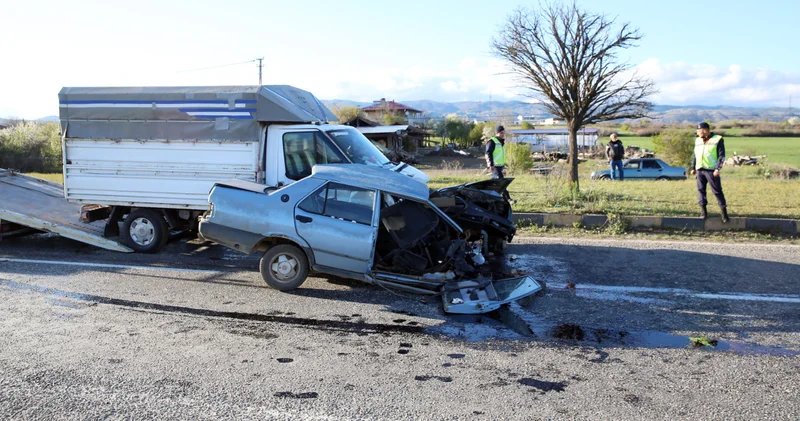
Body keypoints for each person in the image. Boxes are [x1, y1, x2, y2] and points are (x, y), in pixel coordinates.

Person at [690, 122, 729, 222]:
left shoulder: (717, 139)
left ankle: (724, 213)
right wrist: (693, 167)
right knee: (701, 190)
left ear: (705, 130)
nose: (697, 133)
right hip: (700, 169)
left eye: (699, 131)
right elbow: (695, 154)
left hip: (712, 170)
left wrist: (717, 169)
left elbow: (721, 155)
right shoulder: (697, 140)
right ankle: (703, 212)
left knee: (717, 191)